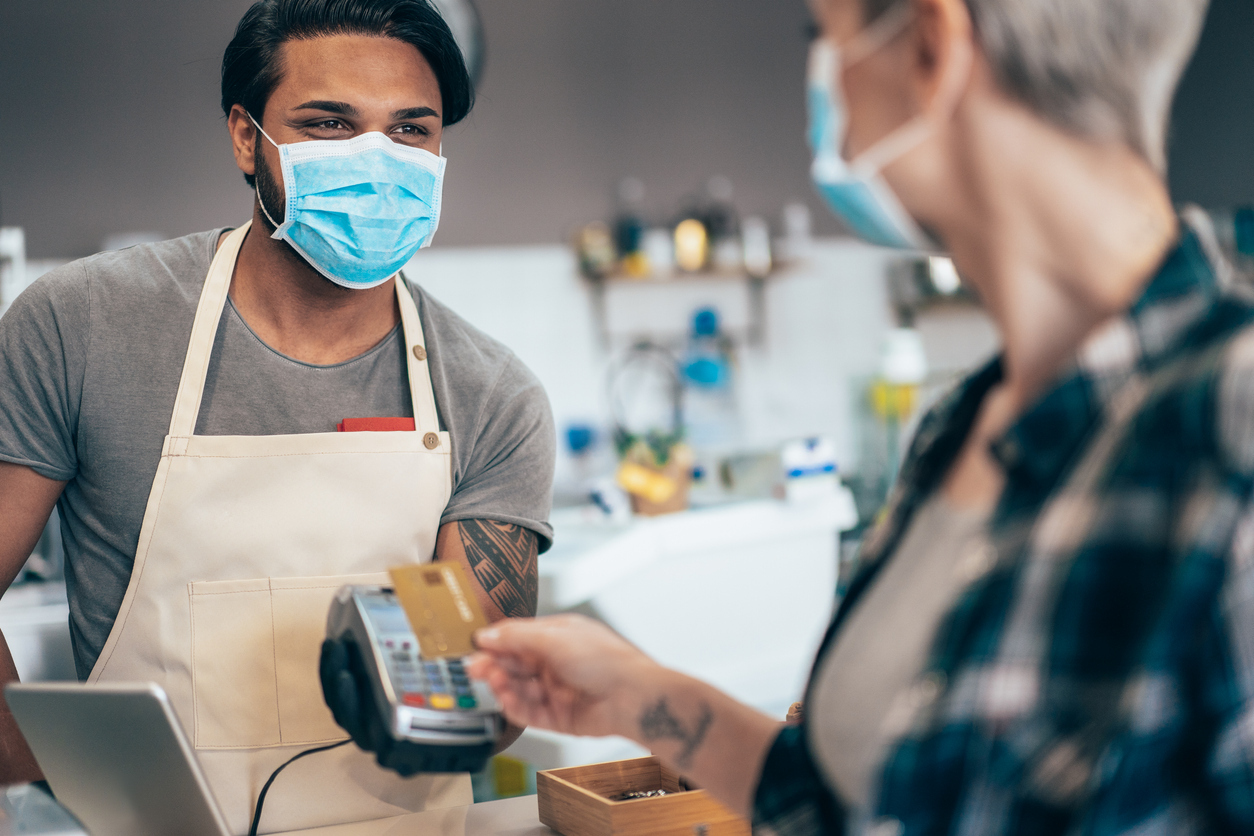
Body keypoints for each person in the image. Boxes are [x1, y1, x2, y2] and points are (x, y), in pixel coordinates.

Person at [469, 0, 1254, 833]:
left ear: (931, 46)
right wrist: (638, 695)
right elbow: (851, 801)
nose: (823, 90)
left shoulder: (1229, 422)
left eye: (825, 40)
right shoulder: (957, 428)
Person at [0, 0, 554, 832]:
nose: (376, 159)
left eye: (410, 130)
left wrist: (471, 687)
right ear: (246, 136)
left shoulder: (490, 394)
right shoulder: (82, 327)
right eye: (330, 124)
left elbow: (483, 695)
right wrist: (44, 792)